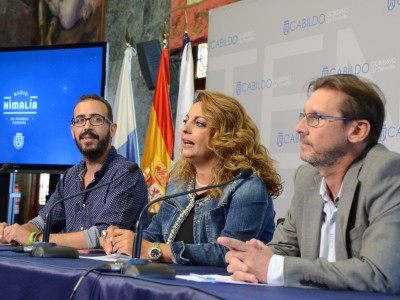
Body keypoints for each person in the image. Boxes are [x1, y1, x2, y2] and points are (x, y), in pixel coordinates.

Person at [218, 74, 400, 295]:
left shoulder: (387, 172)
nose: (299, 128)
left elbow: (381, 275)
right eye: (304, 116)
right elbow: (283, 250)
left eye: (315, 118)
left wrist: (274, 268)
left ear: (357, 131)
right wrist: (248, 259)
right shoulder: (307, 178)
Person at [100, 90, 283, 266]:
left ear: (227, 136)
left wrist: (154, 250)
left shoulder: (246, 187)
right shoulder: (179, 184)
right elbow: (152, 237)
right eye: (186, 121)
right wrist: (123, 241)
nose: (185, 129)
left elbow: (229, 253)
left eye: (200, 124)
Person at [0, 94, 148, 249]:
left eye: (96, 119)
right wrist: (12, 233)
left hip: (108, 270)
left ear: (112, 129)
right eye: (80, 120)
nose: (87, 127)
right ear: (73, 131)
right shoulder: (71, 175)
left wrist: (32, 238)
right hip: (68, 268)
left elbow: (103, 235)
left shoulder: (126, 174)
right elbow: (43, 222)